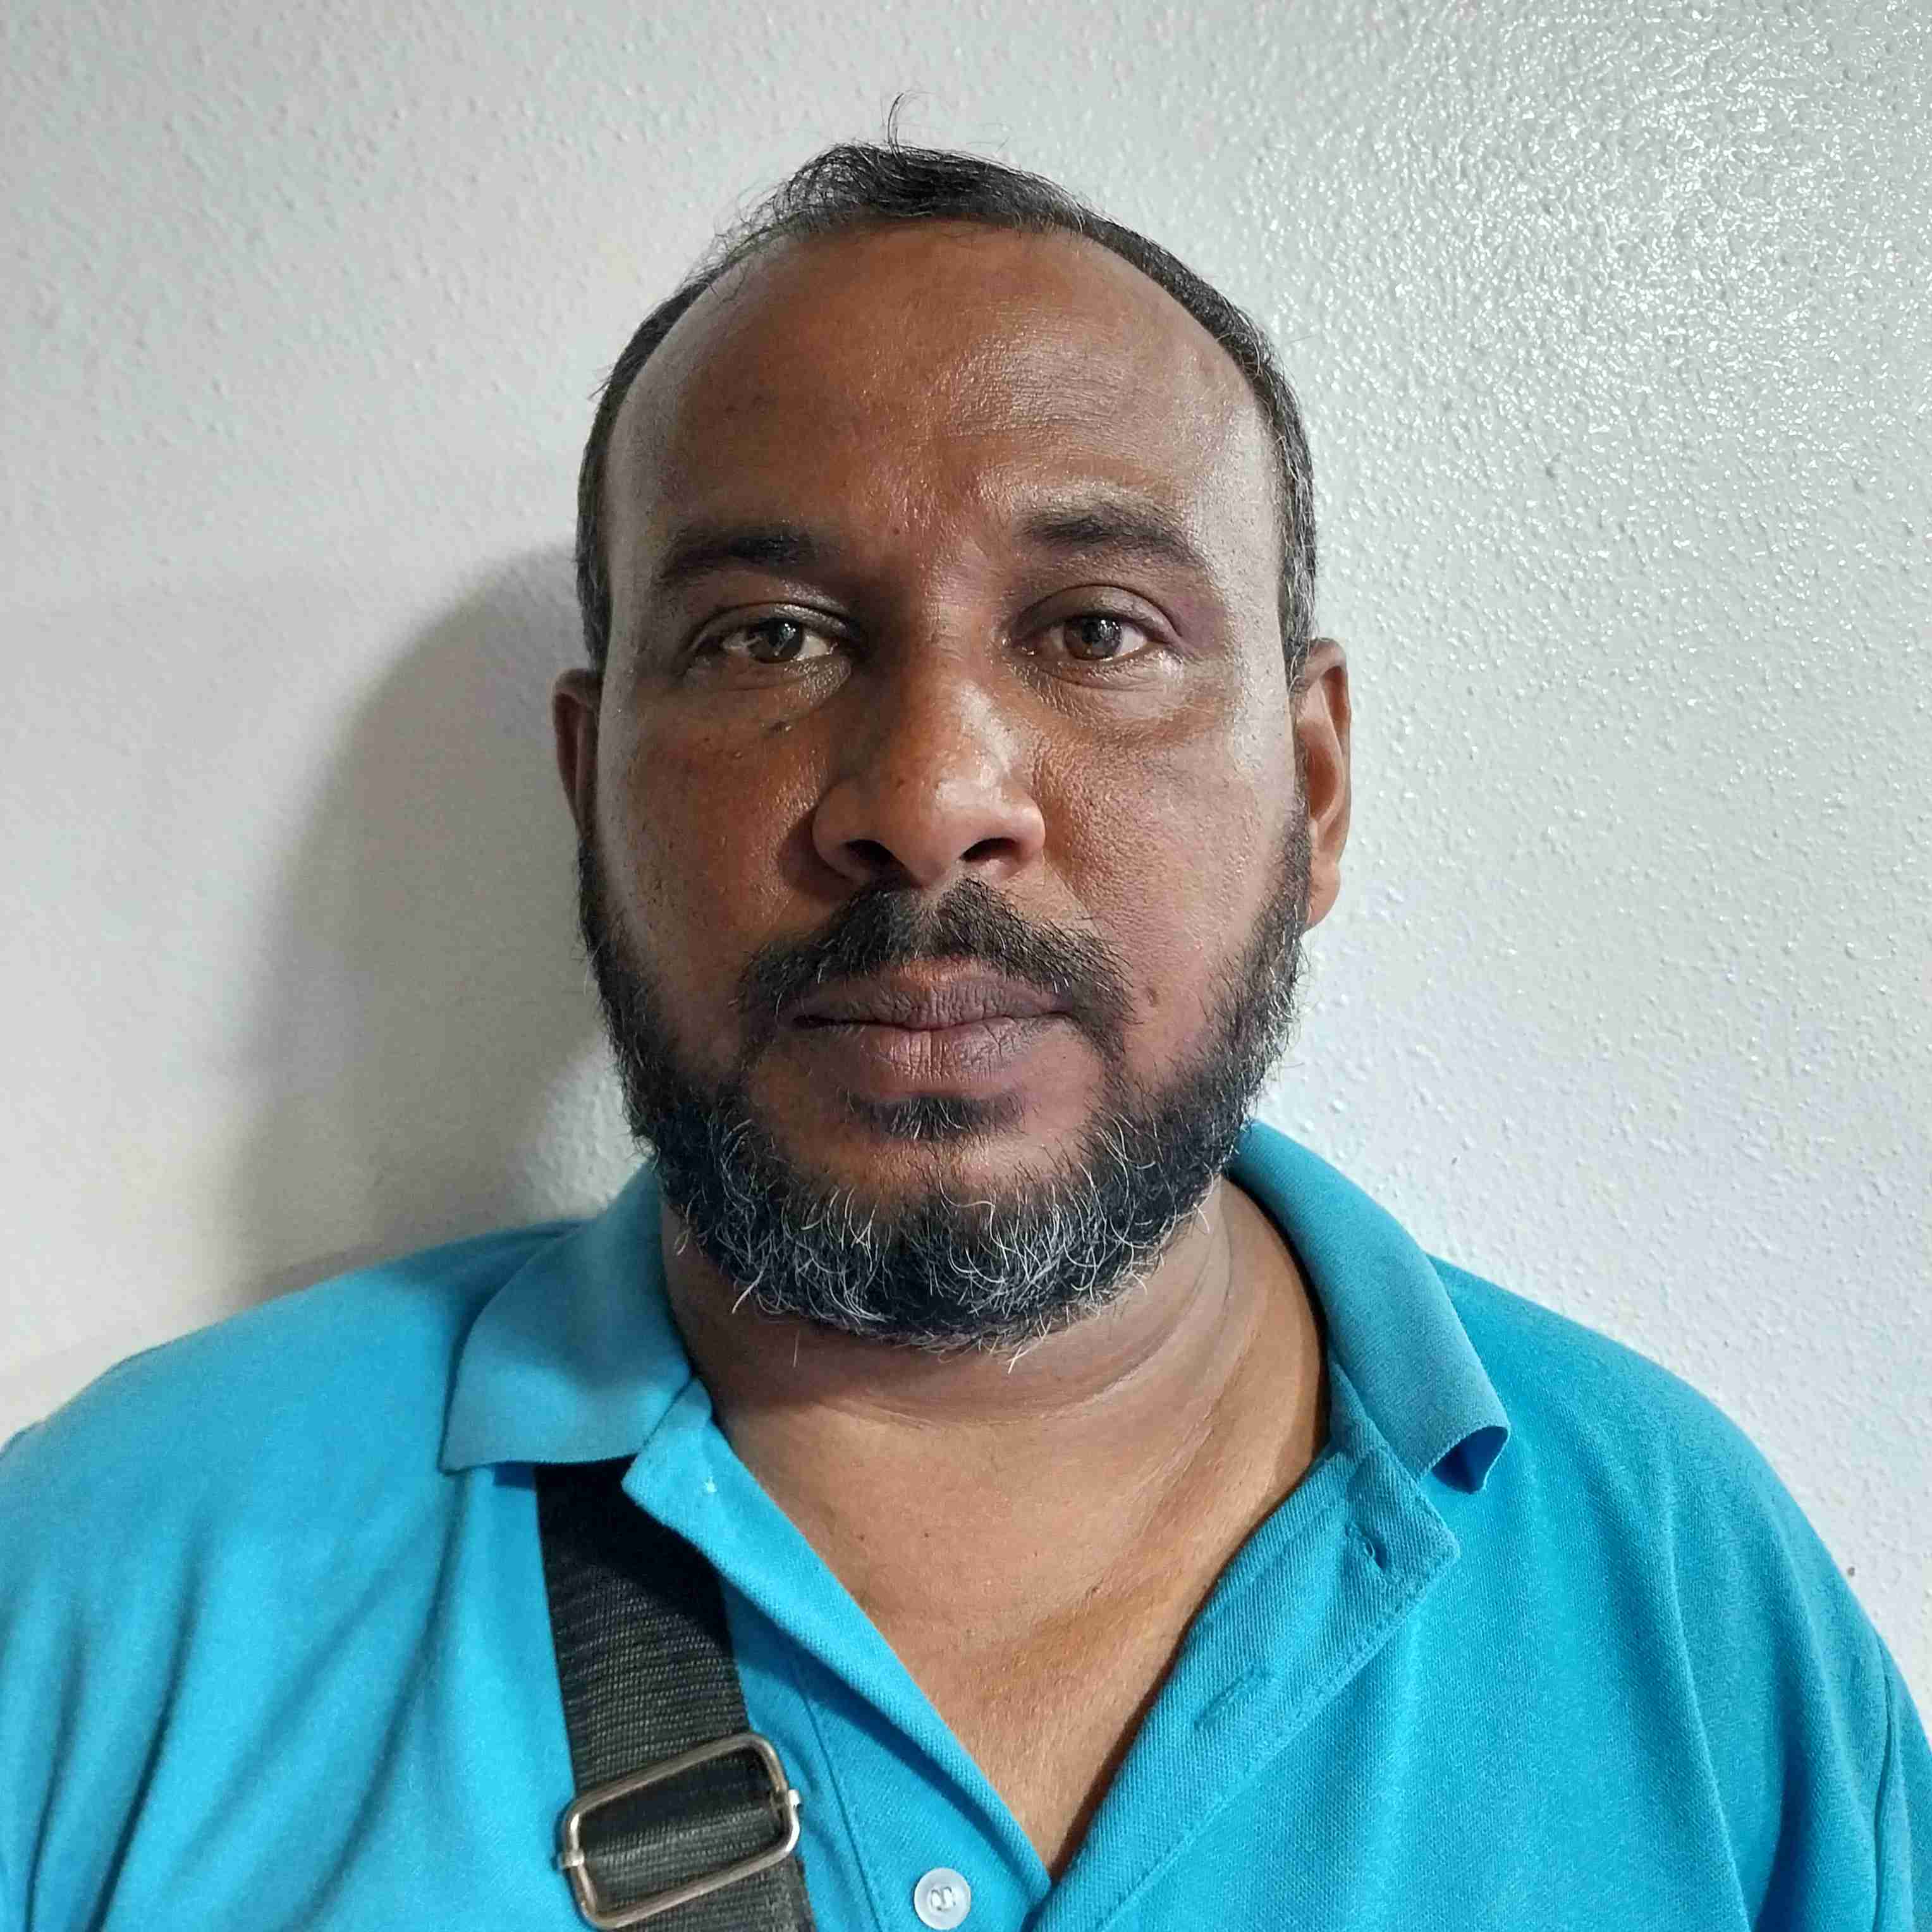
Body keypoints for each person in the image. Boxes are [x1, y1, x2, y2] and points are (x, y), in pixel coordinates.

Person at [2, 137, 1926, 1931]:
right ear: (590, 789)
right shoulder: (111, 1597)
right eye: (769, 637)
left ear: (1316, 787)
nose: (927, 801)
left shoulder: (1684, 1592)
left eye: (1096, 630)